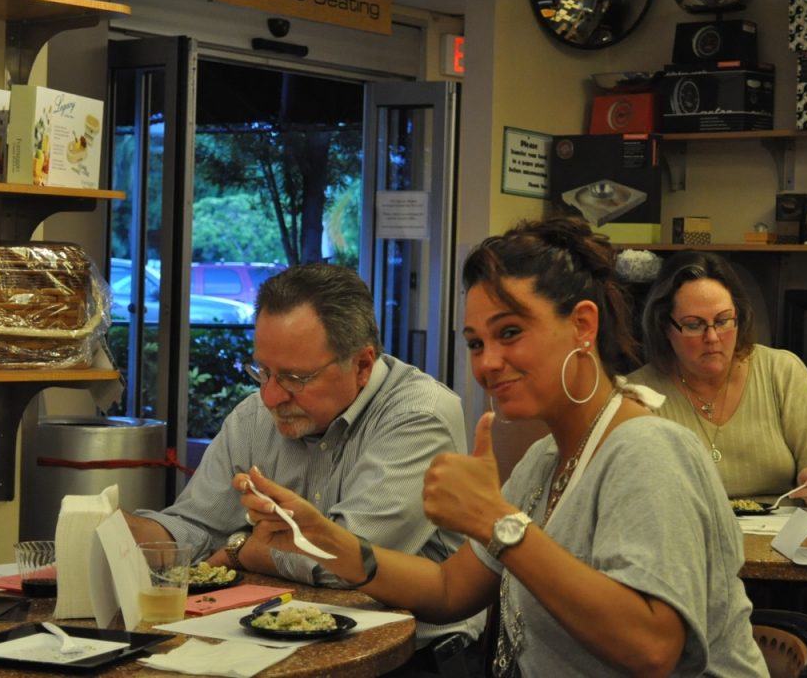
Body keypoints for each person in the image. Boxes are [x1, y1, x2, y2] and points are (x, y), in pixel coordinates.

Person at [235, 218, 768, 677]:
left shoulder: (647, 449)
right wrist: (322, 538)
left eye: (509, 332)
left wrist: (499, 522)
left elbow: (652, 649)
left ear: (583, 323)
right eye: (475, 343)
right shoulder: (546, 459)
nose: (487, 362)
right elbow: (449, 589)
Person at [124, 263, 483, 666]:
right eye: (263, 371)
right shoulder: (254, 416)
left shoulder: (419, 414)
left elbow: (345, 563)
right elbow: (200, 524)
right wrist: (129, 535)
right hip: (280, 639)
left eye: (296, 377)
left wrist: (244, 550)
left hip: (411, 655)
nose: (272, 396)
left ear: (362, 365)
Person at [626, 250, 807, 677]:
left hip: (790, 567)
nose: (713, 336)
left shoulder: (781, 372)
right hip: (691, 569)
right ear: (666, 327)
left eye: (723, 320)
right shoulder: (640, 396)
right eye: (694, 325)